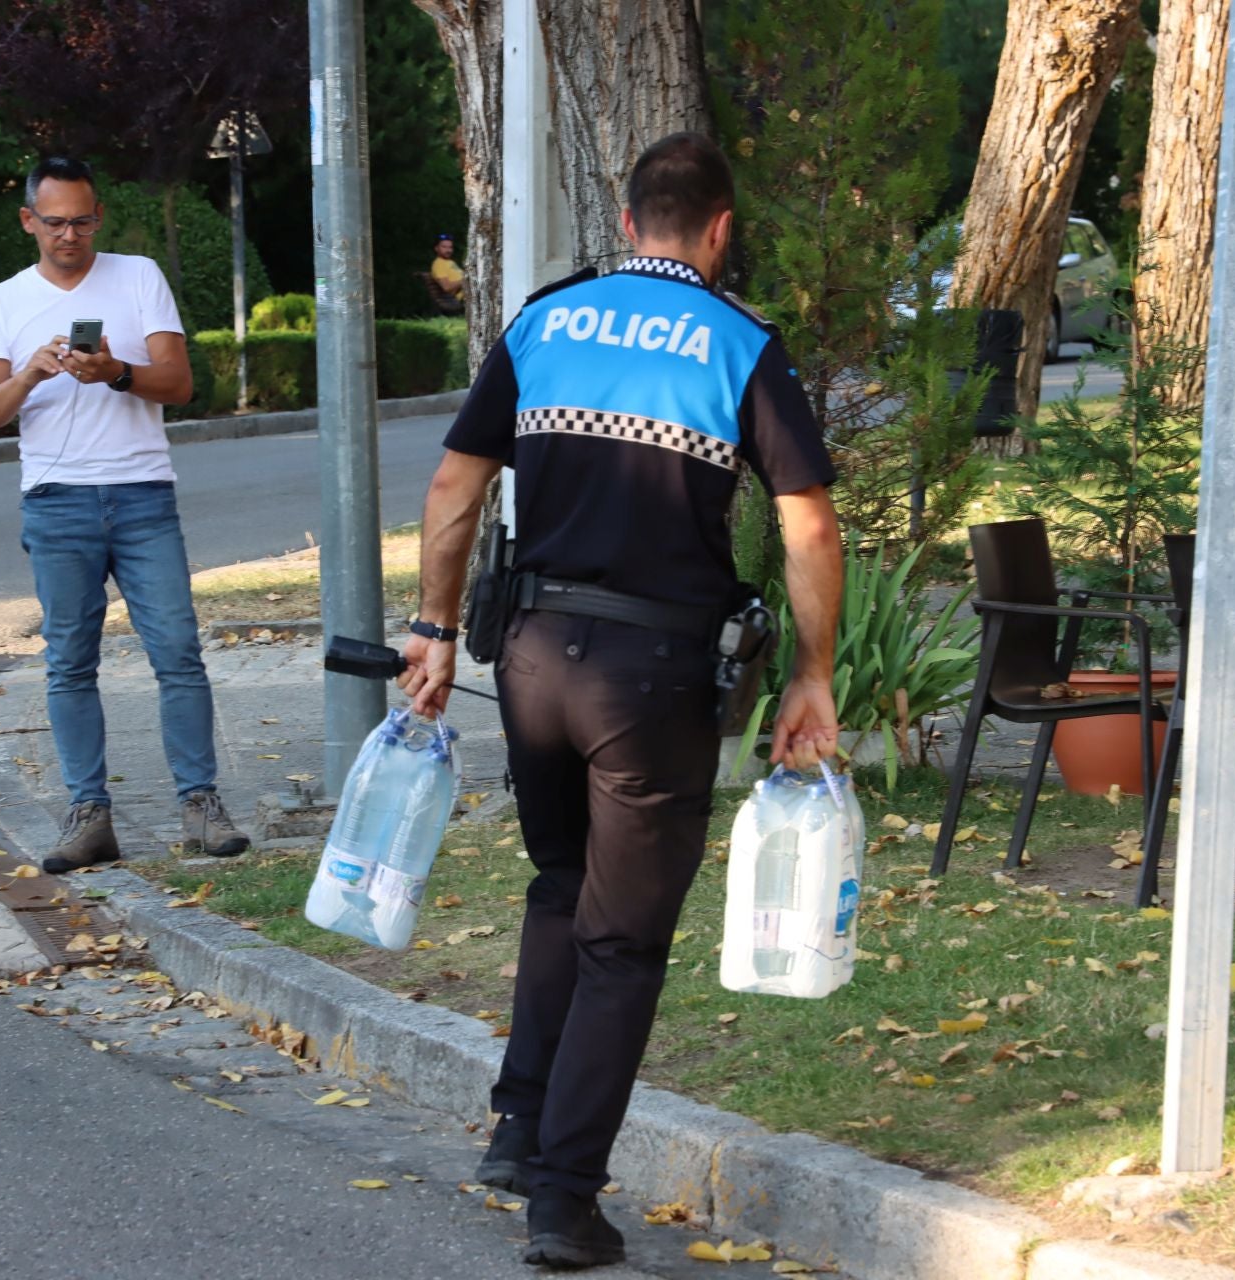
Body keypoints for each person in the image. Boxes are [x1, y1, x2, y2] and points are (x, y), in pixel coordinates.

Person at [397, 132, 843, 1270]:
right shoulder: (739, 343)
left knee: (559, 884)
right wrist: (813, 672)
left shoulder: (547, 320)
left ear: (628, 214)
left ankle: (515, 1127)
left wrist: (436, 629)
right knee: (623, 940)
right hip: (650, 679)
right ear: (720, 227)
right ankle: (564, 1199)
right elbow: (808, 523)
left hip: (534, 660)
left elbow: (456, 484)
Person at [0, 156, 249, 872]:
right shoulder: (4, 301)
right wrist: (32, 371)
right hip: (57, 502)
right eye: (55, 222)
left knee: (178, 652)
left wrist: (115, 372)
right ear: (28, 220)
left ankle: (200, 806)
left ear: (99, 218)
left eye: (83, 221)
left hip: (142, 494)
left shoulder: (138, 276)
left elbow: (180, 384)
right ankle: (89, 815)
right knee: (69, 664)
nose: (70, 235)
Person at [430, 233, 466, 299]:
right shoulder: (439, 264)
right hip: (463, 300)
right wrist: (465, 280)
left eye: (450, 247)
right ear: (436, 248)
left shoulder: (450, 262)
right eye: (444, 247)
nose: (448, 250)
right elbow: (447, 287)